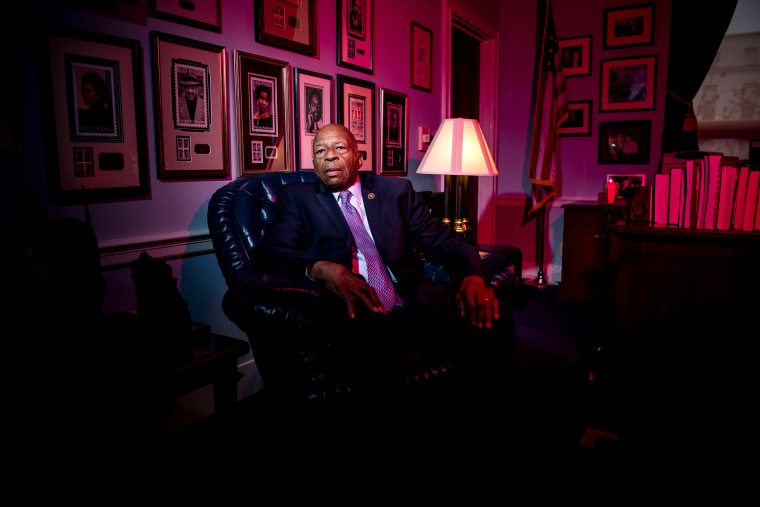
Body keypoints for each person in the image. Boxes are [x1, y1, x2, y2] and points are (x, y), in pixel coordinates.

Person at [253, 123, 509, 404]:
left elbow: (445, 243)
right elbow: (270, 251)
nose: (329, 156)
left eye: (339, 148)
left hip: (409, 300)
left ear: (358, 158)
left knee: (495, 316)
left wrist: (472, 277)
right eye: (320, 151)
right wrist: (319, 268)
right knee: (377, 340)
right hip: (354, 307)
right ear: (314, 164)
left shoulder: (395, 190)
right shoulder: (298, 197)